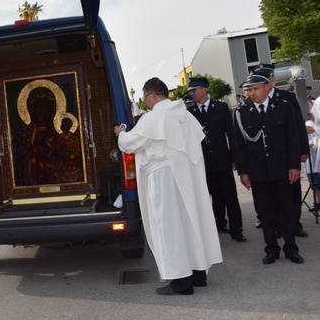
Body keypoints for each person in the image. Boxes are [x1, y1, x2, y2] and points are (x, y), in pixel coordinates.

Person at [113, 77, 222, 295]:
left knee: (170, 228)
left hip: (164, 179)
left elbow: (130, 144)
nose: (145, 103)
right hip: (187, 177)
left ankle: (181, 282)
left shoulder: (154, 118)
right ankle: (198, 274)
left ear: (153, 95)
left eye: (145, 98)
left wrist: (121, 132)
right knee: (191, 223)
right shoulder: (187, 116)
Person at [233, 73, 303, 264]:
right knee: (265, 212)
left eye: (255, 89)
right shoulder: (241, 113)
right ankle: (271, 249)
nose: (251, 93)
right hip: (257, 172)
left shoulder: (283, 107)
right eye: (248, 90)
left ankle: (291, 248)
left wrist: (294, 166)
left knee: (286, 210)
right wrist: (244, 172)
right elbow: (239, 145)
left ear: (266, 87)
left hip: (281, 169)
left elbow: (292, 138)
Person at [186, 78, 245, 242]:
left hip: (221, 160)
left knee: (229, 196)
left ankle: (236, 230)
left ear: (204, 89)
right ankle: (217, 225)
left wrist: (234, 158)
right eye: (190, 91)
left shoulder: (221, 107)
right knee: (207, 197)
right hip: (201, 163)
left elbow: (230, 134)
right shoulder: (190, 113)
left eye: (194, 90)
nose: (192, 93)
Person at [257, 64, 310, 237]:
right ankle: (277, 225)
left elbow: (297, 126)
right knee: (271, 195)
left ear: (272, 80)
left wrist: (303, 150)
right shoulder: (255, 101)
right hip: (266, 156)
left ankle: (295, 224)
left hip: (286, 154)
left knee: (292, 192)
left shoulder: (286, 97)